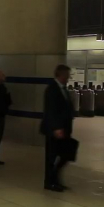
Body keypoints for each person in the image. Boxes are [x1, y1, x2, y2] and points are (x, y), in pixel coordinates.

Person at [41, 64, 75, 192]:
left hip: (64, 129)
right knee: (51, 157)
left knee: (64, 155)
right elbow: (50, 111)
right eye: (67, 75)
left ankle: (55, 180)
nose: (68, 77)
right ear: (60, 75)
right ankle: (50, 182)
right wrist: (56, 128)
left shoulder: (63, 89)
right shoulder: (52, 89)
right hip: (54, 130)